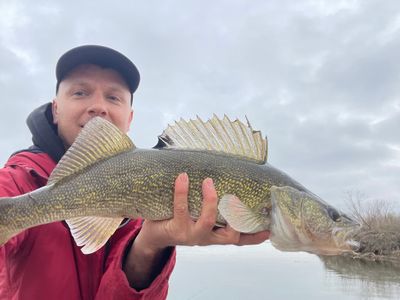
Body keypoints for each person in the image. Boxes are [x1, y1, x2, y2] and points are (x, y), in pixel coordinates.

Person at [0, 45, 270, 299]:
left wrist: (151, 245)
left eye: (113, 96)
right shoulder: (17, 181)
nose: (99, 107)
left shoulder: (148, 208)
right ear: (55, 109)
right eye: (80, 92)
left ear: (129, 118)